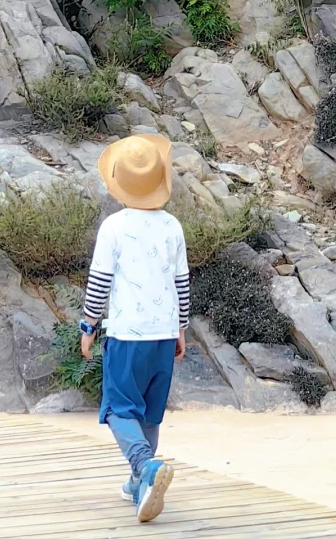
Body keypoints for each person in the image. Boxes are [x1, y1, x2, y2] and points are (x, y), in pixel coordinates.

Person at [80, 133, 190, 524]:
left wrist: (89, 325)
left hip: (128, 334)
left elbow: (99, 282)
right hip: (164, 333)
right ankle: (138, 484)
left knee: (118, 408)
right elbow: (181, 283)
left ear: (120, 183)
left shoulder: (114, 226)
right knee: (149, 413)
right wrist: (181, 327)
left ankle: (145, 465)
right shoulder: (172, 226)